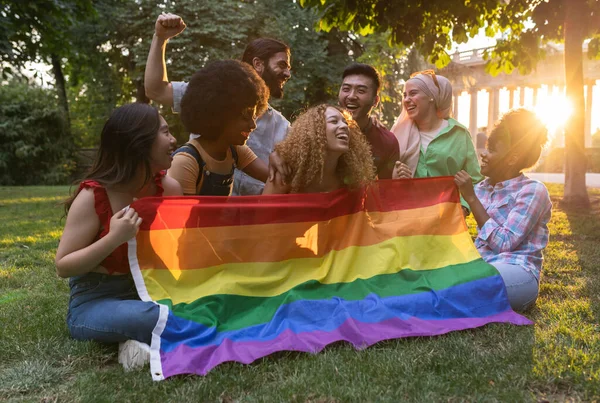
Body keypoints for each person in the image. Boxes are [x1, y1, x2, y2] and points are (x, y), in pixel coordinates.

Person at [55, 103, 183, 370]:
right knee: (157, 318)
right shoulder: (93, 197)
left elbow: (177, 253)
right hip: (95, 299)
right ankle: (137, 335)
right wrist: (114, 238)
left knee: (196, 307)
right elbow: (63, 266)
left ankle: (135, 343)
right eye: (165, 132)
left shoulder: (170, 189)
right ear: (139, 143)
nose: (174, 140)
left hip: (149, 290)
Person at [145, 13, 291, 196]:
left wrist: (277, 161)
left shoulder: (280, 129)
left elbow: (285, 181)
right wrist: (161, 38)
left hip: (247, 223)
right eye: (282, 65)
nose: (288, 74)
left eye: (253, 115)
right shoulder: (208, 92)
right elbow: (155, 90)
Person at [453, 108, 552, 311]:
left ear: (512, 158)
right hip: (480, 265)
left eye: (492, 149)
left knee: (464, 285)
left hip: (517, 272)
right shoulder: (482, 188)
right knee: (439, 277)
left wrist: (471, 198)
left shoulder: (532, 191)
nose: (483, 154)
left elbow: (505, 243)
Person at [167, 59, 270, 195]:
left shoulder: (235, 151)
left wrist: (279, 161)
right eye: (245, 115)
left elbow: (275, 180)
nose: (253, 125)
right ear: (220, 113)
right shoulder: (185, 162)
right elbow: (181, 216)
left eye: (254, 116)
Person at [391, 70, 483, 214]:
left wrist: (463, 208)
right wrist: (393, 176)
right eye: (404, 95)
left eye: (413, 93)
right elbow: (381, 178)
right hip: (407, 219)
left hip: (447, 222)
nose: (406, 99)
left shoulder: (459, 133)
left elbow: (476, 180)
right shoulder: (397, 134)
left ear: (431, 97)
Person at [264, 104, 375, 194]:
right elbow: (263, 217)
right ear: (315, 131)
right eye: (334, 121)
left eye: (345, 123)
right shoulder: (286, 172)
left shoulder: (351, 178)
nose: (344, 126)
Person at [338, 63, 404, 179]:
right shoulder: (321, 132)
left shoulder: (387, 142)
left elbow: (386, 190)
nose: (351, 96)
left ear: (375, 100)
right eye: (346, 89)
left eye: (361, 91)